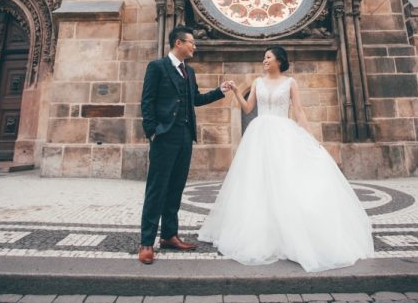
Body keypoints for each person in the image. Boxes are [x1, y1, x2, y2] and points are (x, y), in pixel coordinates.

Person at [198, 46, 374, 272]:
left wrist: (311, 137)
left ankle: (290, 231)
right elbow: (249, 107)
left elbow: (298, 111)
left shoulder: (291, 82)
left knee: (285, 180)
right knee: (258, 182)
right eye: (263, 57)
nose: (264, 60)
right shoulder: (257, 82)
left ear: (279, 61)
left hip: (283, 133)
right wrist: (234, 92)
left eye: (268, 57)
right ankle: (262, 231)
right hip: (259, 134)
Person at [139, 26, 230, 265]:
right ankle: (147, 242)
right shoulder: (157, 67)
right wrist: (152, 131)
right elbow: (147, 101)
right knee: (156, 190)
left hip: (184, 138)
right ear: (178, 43)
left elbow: (196, 100)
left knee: (175, 189)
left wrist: (219, 92)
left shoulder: (188, 71)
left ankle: (169, 235)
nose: (194, 46)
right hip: (164, 138)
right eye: (191, 42)